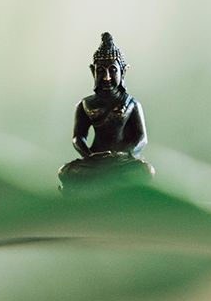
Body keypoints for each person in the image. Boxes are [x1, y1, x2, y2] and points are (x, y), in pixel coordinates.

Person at [58, 33, 153, 191]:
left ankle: (100, 186)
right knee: (66, 172)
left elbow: (141, 138)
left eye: (113, 70)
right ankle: (113, 184)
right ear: (92, 71)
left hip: (122, 161)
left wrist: (124, 154)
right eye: (101, 71)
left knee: (145, 171)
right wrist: (89, 155)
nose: (107, 77)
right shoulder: (85, 104)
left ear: (123, 71)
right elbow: (78, 137)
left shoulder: (131, 104)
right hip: (96, 162)